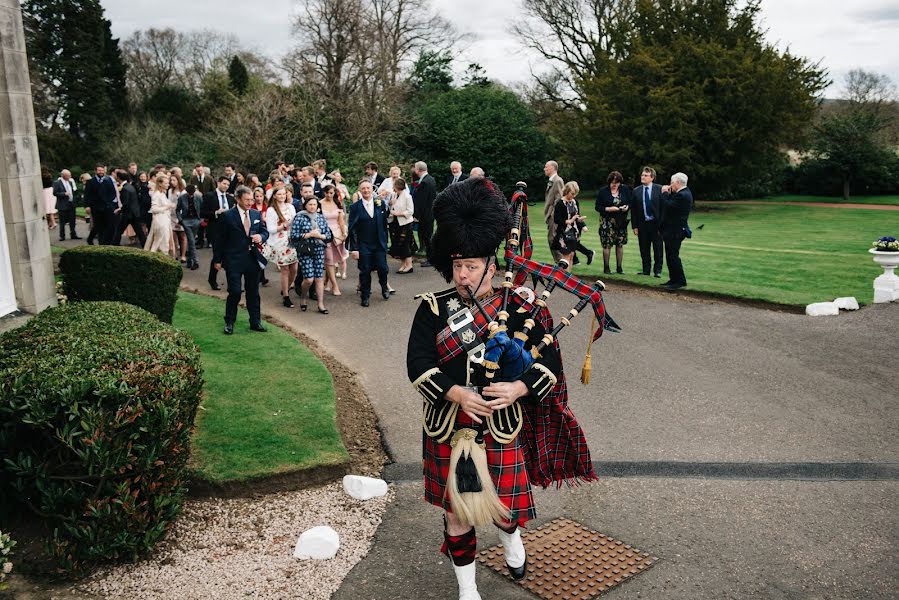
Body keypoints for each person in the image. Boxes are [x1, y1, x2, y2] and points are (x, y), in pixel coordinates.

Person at [407, 177, 595, 600]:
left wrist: (517, 389)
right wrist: (457, 393)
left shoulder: (522, 308)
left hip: (501, 423)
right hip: (448, 425)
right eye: (456, 266)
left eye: (470, 267)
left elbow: (549, 368)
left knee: (505, 511)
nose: (461, 274)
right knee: (458, 514)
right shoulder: (433, 309)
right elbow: (417, 365)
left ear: (491, 267)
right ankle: (468, 590)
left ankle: (512, 541)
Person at [213, 185, 269, 334]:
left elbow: (264, 231)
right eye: (247, 200)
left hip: (252, 259)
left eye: (251, 199)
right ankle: (229, 322)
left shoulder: (256, 215)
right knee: (235, 291)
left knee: (253, 292)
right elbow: (219, 240)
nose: (250, 202)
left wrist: (261, 237)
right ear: (238, 199)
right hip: (233, 260)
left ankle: (255, 322)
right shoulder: (227, 216)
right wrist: (217, 260)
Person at [347, 180, 390, 307]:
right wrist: (354, 248)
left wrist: (385, 242)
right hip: (363, 244)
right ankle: (365, 295)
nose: (366, 190)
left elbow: (383, 224)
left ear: (372, 189)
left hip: (378, 243)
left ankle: (384, 287)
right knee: (365, 270)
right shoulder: (355, 207)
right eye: (363, 189)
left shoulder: (380, 204)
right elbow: (352, 228)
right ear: (360, 191)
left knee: (383, 268)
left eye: (368, 188)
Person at [290, 194, 332, 314]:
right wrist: (308, 235)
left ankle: (321, 304)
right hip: (305, 250)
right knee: (309, 279)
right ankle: (303, 297)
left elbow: (328, 235)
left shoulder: (321, 217)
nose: (312, 206)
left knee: (319, 278)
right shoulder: (299, 217)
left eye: (314, 204)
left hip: (319, 249)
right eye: (310, 204)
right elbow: (293, 236)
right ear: (305, 205)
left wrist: (320, 236)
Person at [265, 187, 299, 307]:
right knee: (285, 269)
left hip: (292, 240)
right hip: (280, 241)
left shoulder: (290, 207)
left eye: (284, 194)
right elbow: (271, 229)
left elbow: (295, 221)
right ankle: (286, 296)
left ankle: (287, 287)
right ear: (274, 196)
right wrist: (284, 226)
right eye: (279, 194)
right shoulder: (271, 210)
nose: (282, 196)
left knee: (294, 268)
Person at [659, 172, 693, 290]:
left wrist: (664, 193)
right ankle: (673, 279)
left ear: (678, 183)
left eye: (672, 182)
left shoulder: (682, 195)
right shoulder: (683, 193)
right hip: (673, 230)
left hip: (675, 231)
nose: (670, 185)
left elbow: (668, 206)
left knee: (673, 255)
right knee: (670, 255)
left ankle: (680, 280)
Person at [595, 170, 632, 274]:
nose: (614, 185)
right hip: (607, 221)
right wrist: (608, 209)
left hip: (621, 221)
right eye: (612, 183)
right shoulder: (603, 191)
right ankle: (606, 268)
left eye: (617, 183)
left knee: (620, 244)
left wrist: (627, 207)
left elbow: (630, 201)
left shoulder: (624, 189)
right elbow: (597, 207)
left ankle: (619, 268)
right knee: (607, 244)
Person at [202, 176, 235, 290]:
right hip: (215, 229)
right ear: (219, 183)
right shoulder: (209, 196)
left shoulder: (230, 199)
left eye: (228, 185)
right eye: (224, 184)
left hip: (229, 231)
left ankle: (232, 283)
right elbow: (203, 212)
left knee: (229, 256)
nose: (226, 186)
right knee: (218, 255)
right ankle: (212, 279)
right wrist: (216, 212)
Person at [631, 166, 664, 278]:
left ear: (652, 177)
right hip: (642, 224)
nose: (643, 177)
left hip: (656, 224)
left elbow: (664, 208)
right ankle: (646, 270)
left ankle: (657, 271)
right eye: (642, 175)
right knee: (644, 248)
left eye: (646, 175)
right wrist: (634, 226)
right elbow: (634, 210)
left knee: (658, 248)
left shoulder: (659, 189)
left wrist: (662, 225)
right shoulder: (636, 191)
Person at [552, 181, 587, 270]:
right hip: (564, 233)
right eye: (572, 193)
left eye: (575, 194)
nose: (574, 196)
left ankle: (568, 278)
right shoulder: (560, 203)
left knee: (571, 255)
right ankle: (561, 279)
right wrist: (569, 221)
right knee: (566, 257)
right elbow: (556, 219)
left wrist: (581, 222)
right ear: (567, 191)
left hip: (574, 233)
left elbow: (577, 215)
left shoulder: (575, 202)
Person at [321, 184, 348, 295]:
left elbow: (341, 221)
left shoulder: (337, 203)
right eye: (327, 193)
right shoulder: (320, 203)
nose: (329, 195)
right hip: (325, 234)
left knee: (332, 260)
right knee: (329, 259)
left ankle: (327, 282)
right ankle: (335, 286)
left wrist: (344, 233)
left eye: (331, 193)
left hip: (336, 234)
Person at [84, 163, 119, 245]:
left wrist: (110, 202)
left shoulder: (108, 180)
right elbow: (87, 195)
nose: (101, 172)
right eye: (99, 170)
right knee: (98, 225)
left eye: (102, 170)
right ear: (96, 171)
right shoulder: (90, 182)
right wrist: (87, 205)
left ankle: (104, 242)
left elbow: (112, 192)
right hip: (95, 207)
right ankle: (92, 239)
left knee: (108, 224)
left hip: (107, 206)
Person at [412, 161, 437, 268]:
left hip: (425, 215)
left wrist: (416, 216)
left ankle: (431, 260)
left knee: (427, 237)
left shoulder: (425, 182)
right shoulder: (431, 179)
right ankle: (430, 258)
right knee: (427, 236)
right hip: (429, 213)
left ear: (418, 170)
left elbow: (421, 202)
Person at [388, 177, 415, 274]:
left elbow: (410, 211)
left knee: (405, 244)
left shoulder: (407, 196)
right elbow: (393, 207)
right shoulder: (395, 195)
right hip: (396, 223)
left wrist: (398, 213)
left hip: (405, 223)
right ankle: (403, 264)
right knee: (399, 244)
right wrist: (391, 204)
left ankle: (409, 265)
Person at [114, 169, 147, 248]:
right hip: (135, 213)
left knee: (118, 231)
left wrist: (119, 210)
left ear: (119, 178)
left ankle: (114, 245)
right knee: (140, 232)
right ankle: (145, 246)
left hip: (128, 214)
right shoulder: (130, 186)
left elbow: (125, 203)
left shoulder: (125, 188)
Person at [144, 174, 175, 254]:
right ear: (160, 184)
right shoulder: (156, 194)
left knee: (165, 241)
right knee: (160, 242)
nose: (168, 184)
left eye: (168, 183)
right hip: (160, 221)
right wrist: (167, 206)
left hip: (165, 220)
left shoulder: (162, 194)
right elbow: (154, 209)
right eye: (166, 183)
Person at [177, 184, 203, 270]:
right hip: (186, 221)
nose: (191, 195)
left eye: (192, 193)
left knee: (191, 241)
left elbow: (202, 208)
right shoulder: (182, 197)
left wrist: (201, 219)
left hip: (196, 220)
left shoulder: (198, 197)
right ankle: (196, 262)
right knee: (191, 241)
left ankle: (189, 261)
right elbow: (177, 210)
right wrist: (181, 220)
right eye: (189, 193)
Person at [543, 160, 564, 262]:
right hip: (550, 215)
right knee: (552, 239)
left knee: (553, 239)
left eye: (546, 167)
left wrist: (552, 214)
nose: (544, 169)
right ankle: (560, 262)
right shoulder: (552, 180)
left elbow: (559, 199)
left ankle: (561, 262)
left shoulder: (558, 180)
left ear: (552, 168)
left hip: (554, 215)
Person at [52, 169, 80, 241]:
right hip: (62, 204)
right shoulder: (57, 183)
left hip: (71, 203)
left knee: (72, 220)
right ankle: (62, 236)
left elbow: (73, 192)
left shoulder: (70, 182)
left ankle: (73, 234)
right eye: (68, 175)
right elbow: (55, 193)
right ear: (64, 175)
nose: (70, 176)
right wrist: (63, 194)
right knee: (62, 221)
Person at [168, 173, 187, 261]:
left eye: (174, 180)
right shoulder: (170, 191)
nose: (172, 182)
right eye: (171, 180)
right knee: (173, 236)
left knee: (182, 236)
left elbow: (184, 206)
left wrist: (180, 219)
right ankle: (175, 254)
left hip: (180, 215)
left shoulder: (183, 192)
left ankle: (183, 255)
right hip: (171, 215)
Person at [41, 166, 57, 231]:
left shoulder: (42, 177)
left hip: (45, 191)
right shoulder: (49, 176)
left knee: (48, 208)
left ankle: (53, 223)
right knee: (50, 207)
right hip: (51, 190)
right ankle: (50, 223)